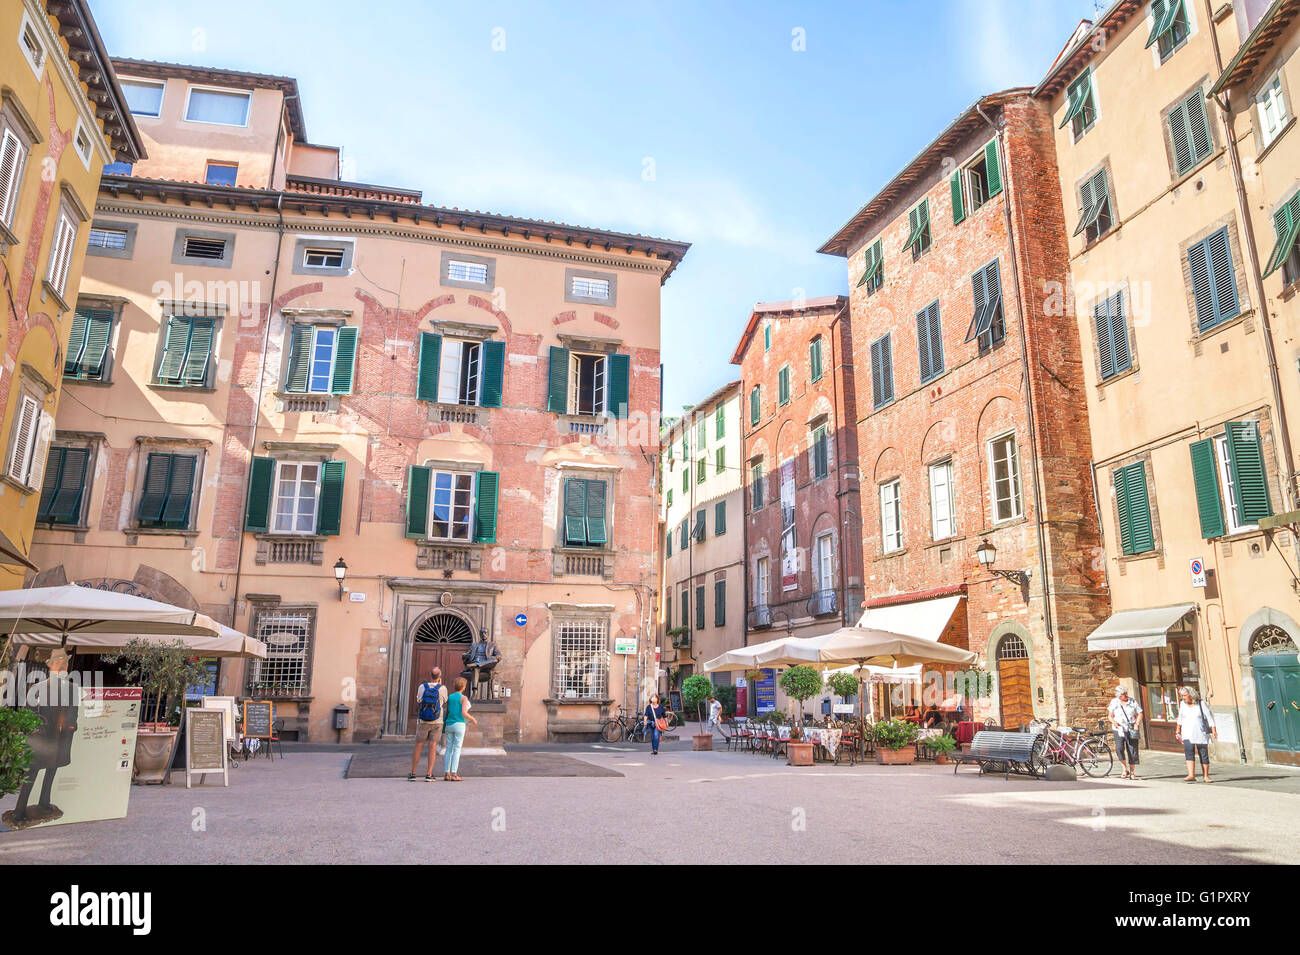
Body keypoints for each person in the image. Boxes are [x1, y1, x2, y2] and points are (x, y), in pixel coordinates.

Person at [5, 649, 78, 828]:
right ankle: (20, 810)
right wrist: (36, 727)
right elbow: (29, 712)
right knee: (32, 772)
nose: (63, 665)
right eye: (59, 662)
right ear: (51, 665)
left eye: (65, 662)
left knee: (52, 770)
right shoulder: (38, 687)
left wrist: (70, 724)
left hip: (60, 738)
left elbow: (73, 711)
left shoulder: (71, 688)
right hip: (42, 738)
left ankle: (44, 801)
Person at [408, 666, 447, 782]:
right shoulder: (443, 688)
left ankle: (413, 773)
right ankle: (429, 774)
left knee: (418, 745)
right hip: (437, 721)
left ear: (430, 676)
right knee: (433, 746)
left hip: (423, 720)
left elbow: (419, 700)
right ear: (440, 677)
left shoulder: (422, 687)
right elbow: (444, 701)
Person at [1175, 686, 1218, 783]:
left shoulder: (1201, 703)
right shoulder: (1182, 704)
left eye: (1185, 695)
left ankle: (1206, 776)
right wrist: (1178, 729)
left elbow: (1209, 717)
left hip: (1200, 732)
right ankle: (1191, 775)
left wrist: (1214, 730)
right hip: (1187, 732)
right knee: (1189, 752)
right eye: (1182, 696)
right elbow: (1180, 717)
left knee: (1203, 753)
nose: (1183, 698)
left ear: (1191, 694)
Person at [442, 677, 476, 781]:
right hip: (459, 724)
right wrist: (473, 719)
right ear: (463, 687)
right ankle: (454, 774)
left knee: (448, 749)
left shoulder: (450, 697)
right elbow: (464, 713)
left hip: (449, 724)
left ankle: (446, 774)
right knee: (457, 749)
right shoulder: (464, 698)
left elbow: (447, 711)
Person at [1108, 685, 1143, 780]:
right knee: (1119, 748)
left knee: (1132, 750)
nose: (1126, 695)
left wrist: (1137, 723)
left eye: (1126, 693)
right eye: (1124, 694)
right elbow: (1110, 716)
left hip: (1131, 728)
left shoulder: (1132, 701)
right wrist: (1114, 722)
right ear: (1119, 695)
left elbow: (1140, 713)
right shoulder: (1114, 702)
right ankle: (1124, 768)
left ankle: (1132, 772)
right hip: (1118, 729)